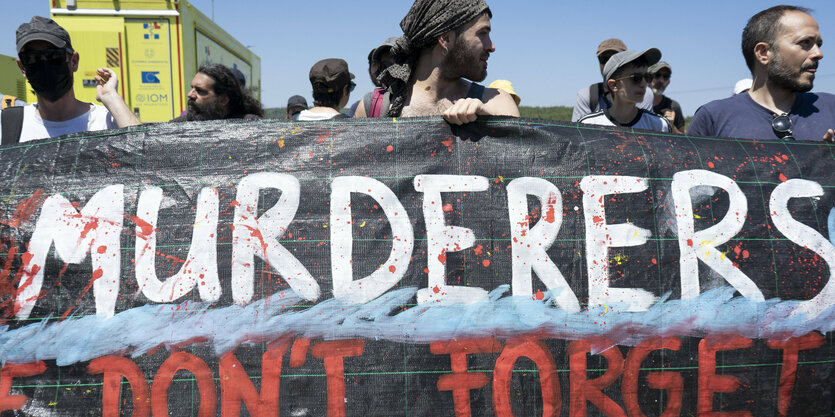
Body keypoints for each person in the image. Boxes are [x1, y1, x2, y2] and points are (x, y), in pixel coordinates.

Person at [354, 0, 519, 124]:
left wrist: (491, 125)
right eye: (482, 33)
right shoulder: (373, 108)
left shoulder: (498, 105)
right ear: (446, 39)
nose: (491, 46)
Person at [688, 6, 834, 142]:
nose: (818, 54)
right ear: (763, 53)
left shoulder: (830, 108)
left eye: (818, 44)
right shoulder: (713, 117)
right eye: (805, 42)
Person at [1, 16, 139, 144]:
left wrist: (112, 98)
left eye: (53, 55)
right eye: (32, 58)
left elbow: (146, 157)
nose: (44, 64)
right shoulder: (8, 127)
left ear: (74, 61)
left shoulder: (107, 122)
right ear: (22, 67)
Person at [578, 48, 671, 133]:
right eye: (636, 78)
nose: (643, 84)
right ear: (613, 85)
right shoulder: (588, 125)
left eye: (647, 77)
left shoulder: (660, 125)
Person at [572, 38, 654, 122]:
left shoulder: (645, 94)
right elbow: (578, 133)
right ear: (613, 85)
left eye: (647, 77)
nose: (609, 63)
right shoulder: (587, 95)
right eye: (604, 59)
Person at [172, 63, 263, 122]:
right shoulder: (176, 127)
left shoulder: (250, 125)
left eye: (200, 91)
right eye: (192, 88)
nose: (190, 94)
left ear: (223, 100)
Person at [352, 36, 398, 118]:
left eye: (396, 62)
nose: (387, 71)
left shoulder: (425, 98)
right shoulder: (369, 102)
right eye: (383, 66)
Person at [648, 61, 685, 133]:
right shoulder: (635, 103)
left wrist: (671, 125)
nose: (661, 80)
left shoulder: (673, 106)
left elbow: (684, 139)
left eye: (665, 77)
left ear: (668, 81)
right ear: (648, 77)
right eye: (657, 75)